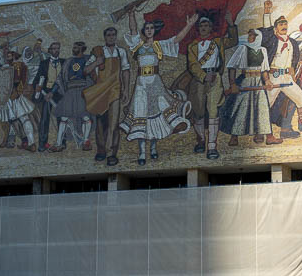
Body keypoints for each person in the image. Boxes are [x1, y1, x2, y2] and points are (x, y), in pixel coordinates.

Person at [120, 10, 197, 165]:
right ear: (144, 31)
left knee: (157, 114)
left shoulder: (159, 46)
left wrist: (189, 25)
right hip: (141, 84)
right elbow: (133, 30)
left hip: (155, 83)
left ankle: (153, 147)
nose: (149, 30)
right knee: (141, 115)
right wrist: (131, 15)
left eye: (151, 28)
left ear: (154, 31)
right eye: (146, 28)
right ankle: (142, 152)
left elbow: (176, 39)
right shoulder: (138, 46)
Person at [259, 3, 302, 141]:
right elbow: (267, 30)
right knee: (265, 105)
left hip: (287, 78)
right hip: (274, 76)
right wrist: (267, 12)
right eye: (280, 24)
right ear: (276, 28)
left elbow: (301, 44)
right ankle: (260, 132)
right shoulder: (272, 40)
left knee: (301, 99)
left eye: (285, 24)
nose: (283, 26)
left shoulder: (292, 41)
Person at [182, 14, 237, 159]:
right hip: (199, 80)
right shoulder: (192, 45)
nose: (204, 28)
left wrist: (231, 25)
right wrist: (202, 76)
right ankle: (201, 140)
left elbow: (233, 41)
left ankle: (212, 146)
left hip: (215, 78)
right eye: (201, 26)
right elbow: (192, 65)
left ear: (210, 27)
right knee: (199, 112)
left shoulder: (217, 42)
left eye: (206, 25)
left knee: (213, 112)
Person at [219, 29, 280, 146]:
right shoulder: (242, 49)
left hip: (258, 82)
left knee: (262, 109)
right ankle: (234, 137)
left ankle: (269, 136)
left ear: (258, 37)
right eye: (249, 34)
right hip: (245, 81)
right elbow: (232, 67)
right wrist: (232, 84)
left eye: (253, 35)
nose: (250, 36)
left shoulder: (263, 50)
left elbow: (264, 69)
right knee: (241, 108)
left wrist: (267, 81)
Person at [82, 27, 131, 165]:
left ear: (116, 36)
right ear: (105, 37)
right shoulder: (98, 52)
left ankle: (112, 153)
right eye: (108, 35)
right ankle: (101, 150)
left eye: (113, 35)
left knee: (113, 123)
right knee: (100, 123)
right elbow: (85, 70)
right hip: (100, 91)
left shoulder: (121, 52)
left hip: (115, 91)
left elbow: (125, 71)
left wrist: (126, 90)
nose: (111, 37)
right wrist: (96, 62)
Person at [50, 41, 95, 151]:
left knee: (85, 117)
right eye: (73, 47)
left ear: (81, 48)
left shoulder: (88, 59)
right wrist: (52, 91)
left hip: (83, 91)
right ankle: (58, 144)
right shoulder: (69, 61)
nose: (73, 49)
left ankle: (85, 142)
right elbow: (60, 78)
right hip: (70, 91)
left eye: (75, 47)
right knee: (64, 118)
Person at [31, 42, 63, 151]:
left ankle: (62, 142)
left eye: (58, 48)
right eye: (54, 49)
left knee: (62, 118)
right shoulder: (44, 63)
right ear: (50, 51)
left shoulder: (64, 62)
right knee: (44, 118)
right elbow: (38, 78)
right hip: (46, 93)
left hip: (60, 93)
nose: (56, 50)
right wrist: (38, 88)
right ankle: (42, 144)